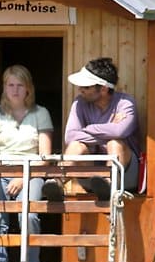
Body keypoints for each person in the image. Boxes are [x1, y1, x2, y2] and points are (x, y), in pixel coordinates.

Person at [0, 65, 53, 262]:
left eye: (19, 85)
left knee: (29, 216)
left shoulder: (41, 113)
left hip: (31, 172)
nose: (15, 90)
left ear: (28, 88)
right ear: (4, 87)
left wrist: (23, 177)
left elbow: (45, 155)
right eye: (10, 85)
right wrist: (3, 172)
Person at [42, 57, 140, 201]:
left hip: (125, 174)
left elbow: (120, 132)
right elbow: (70, 136)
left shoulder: (125, 103)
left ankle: (109, 183)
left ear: (104, 89)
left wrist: (88, 129)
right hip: (91, 175)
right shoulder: (79, 102)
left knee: (115, 143)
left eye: (86, 87)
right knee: (76, 145)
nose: (80, 89)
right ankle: (57, 183)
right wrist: (109, 129)